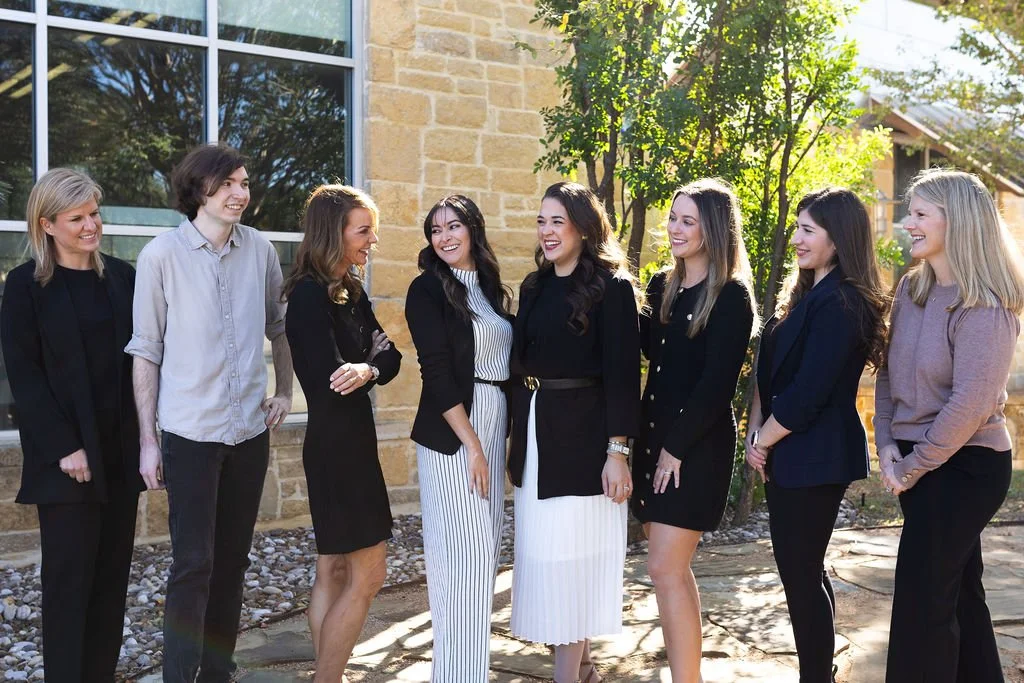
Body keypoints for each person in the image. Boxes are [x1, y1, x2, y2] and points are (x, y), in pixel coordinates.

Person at [126, 143, 294, 683]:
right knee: (193, 564)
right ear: (199, 190)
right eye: (227, 185)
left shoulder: (260, 249)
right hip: (190, 435)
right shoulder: (160, 256)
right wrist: (148, 441)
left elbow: (279, 327)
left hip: (249, 433)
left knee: (233, 562)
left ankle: (218, 673)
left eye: (244, 183)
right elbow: (145, 350)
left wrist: (285, 392)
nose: (239, 194)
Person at [875, 169, 1024, 683]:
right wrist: (887, 443)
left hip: (967, 468)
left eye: (920, 214)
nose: (907, 223)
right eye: (909, 212)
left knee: (922, 602)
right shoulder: (912, 288)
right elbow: (889, 373)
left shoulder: (985, 302)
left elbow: (971, 403)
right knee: (958, 594)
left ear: (955, 220)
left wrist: (912, 465)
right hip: (920, 461)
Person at [0, 168, 144, 682]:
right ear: (47, 224)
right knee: (68, 586)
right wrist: (65, 446)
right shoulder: (25, 286)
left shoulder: (123, 278)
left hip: (119, 452)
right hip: (65, 461)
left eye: (94, 214)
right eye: (76, 218)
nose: (91, 225)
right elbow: (24, 374)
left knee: (111, 583)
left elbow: (144, 362)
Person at [746, 188, 888, 683]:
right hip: (787, 450)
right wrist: (756, 430)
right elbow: (769, 372)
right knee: (803, 569)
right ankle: (818, 671)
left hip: (816, 455)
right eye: (797, 228)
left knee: (800, 571)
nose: (797, 239)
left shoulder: (844, 301)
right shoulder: (806, 293)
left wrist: (764, 440)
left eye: (808, 230)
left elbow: (809, 391)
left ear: (838, 238)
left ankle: (815, 676)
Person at [508, 181, 642, 683]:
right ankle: (583, 671)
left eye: (557, 222)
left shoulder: (613, 287)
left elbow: (623, 376)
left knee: (571, 564)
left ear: (583, 228)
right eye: (541, 221)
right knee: (546, 560)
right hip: (537, 437)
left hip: (587, 444)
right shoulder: (534, 286)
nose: (547, 232)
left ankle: (570, 676)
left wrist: (617, 451)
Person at [632, 179, 757, 682]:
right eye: (673, 218)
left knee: (664, 568)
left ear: (714, 230)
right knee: (671, 571)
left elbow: (715, 386)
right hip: (653, 438)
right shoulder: (662, 285)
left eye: (688, 221)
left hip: (693, 449)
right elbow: (648, 352)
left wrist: (675, 450)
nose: (675, 228)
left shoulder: (731, 296)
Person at [283, 184, 401, 682]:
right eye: (364, 231)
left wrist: (368, 368)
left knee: (332, 569)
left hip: (352, 442)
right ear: (334, 232)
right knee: (369, 574)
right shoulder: (308, 297)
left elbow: (390, 358)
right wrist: (366, 364)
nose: (373, 240)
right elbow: (332, 381)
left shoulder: (350, 291)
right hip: (337, 450)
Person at [405, 195, 514, 682]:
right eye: (436, 230)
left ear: (473, 229)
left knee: (480, 558)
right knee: (466, 557)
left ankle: (457, 673)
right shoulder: (426, 289)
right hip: (453, 434)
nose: (444, 237)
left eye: (453, 227)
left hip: (493, 418)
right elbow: (436, 371)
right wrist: (472, 444)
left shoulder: (489, 287)